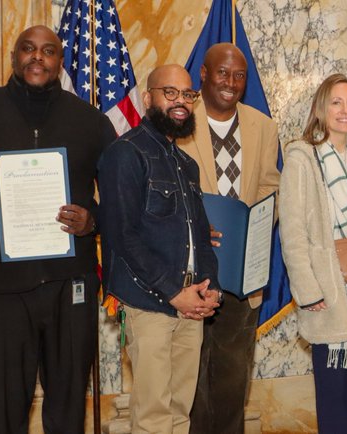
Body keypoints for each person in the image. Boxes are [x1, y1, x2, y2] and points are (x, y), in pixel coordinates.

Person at [0, 25, 115, 434]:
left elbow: (121, 195)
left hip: (71, 287)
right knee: (6, 406)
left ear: (60, 62)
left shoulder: (91, 122)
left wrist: (92, 219)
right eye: (28, 49)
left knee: (67, 408)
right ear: (13, 57)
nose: (37, 57)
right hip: (0, 291)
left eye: (48, 51)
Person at [98, 64, 224, 434]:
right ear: (149, 97)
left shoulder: (186, 164)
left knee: (180, 410)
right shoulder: (126, 154)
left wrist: (210, 285)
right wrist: (173, 292)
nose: (180, 102)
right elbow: (122, 236)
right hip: (149, 303)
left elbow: (201, 236)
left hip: (191, 304)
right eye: (170, 93)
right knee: (154, 415)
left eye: (187, 94)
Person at [181, 43, 281, 434]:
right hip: (187, 276)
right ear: (203, 74)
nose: (231, 82)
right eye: (222, 73)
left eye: (239, 75)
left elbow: (271, 187)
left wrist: (257, 228)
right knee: (188, 380)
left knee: (230, 380)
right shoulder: (180, 119)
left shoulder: (263, 126)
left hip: (241, 277)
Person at [281, 73, 347, 433]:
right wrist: (308, 292)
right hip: (328, 291)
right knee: (332, 398)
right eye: (337, 102)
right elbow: (292, 231)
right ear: (320, 108)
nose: (345, 110)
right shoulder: (303, 157)